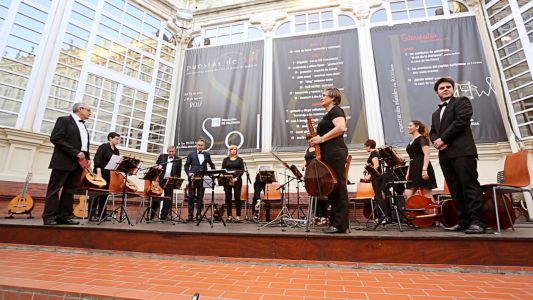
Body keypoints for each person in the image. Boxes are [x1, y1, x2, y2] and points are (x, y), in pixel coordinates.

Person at [430, 77, 485, 234]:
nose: (445, 89)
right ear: (437, 92)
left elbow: (461, 121)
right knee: (455, 189)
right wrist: (436, 141)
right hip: (445, 155)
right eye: (442, 88)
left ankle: (478, 222)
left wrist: (443, 139)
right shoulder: (435, 113)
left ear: (452, 89)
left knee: (469, 187)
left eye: (448, 87)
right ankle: (463, 222)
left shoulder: (462, 101)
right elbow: (433, 131)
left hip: (463, 152)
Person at [42, 103, 92, 225]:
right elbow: (56, 138)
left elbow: (83, 145)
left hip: (78, 164)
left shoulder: (84, 126)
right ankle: (49, 216)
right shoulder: (64, 120)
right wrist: (75, 152)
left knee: (70, 190)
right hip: (63, 161)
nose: (91, 113)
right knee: (55, 189)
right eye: (89, 110)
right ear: (80, 109)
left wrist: (88, 158)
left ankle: (64, 216)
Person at [309, 87, 349, 234]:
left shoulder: (336, 110)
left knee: (337, 185)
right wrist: (317, 141)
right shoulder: (329, 114)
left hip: (335, 152)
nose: (321, 97)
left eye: (324, 95)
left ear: (333, 97)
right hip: (328, 152)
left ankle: (340, 225)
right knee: (332, 187)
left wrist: (322, 138)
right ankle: (336, 223)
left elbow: (341, 127)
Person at [89, 132, 120, 221]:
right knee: (95, 194)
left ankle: (102, 215)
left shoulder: (116, 151)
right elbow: (97, 159)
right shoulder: (103, 147)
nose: (118, 141)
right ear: (110, 138)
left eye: (119, 139)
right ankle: (91, 215)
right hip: (100, 172)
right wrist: (99, 173)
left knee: (104, 195)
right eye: (117, 139)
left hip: (109, 174)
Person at [184, 138, 216, 222]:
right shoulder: (191, 154)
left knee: (200, 197)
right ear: (196, 145)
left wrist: (212, 174)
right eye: (199, 145)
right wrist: (189, 173)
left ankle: (199, 214)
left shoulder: (207, 155)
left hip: (203, 178)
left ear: (204, 146)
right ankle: (190, 216)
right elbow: (186, 166)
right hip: (193, 178)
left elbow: (212, 165)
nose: (200, 147)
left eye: (202, 145)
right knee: (191, 197)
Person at [404, 121, 437, 199]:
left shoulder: (422, 138)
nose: (408, 127)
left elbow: (427, 154)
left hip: (422, 167)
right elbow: (411, 157)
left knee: (426, 193)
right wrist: (408, 172)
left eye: (410, 125)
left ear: (417, 127)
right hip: (413, 169)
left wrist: (424, 170)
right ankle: (413, 211)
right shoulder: (411, 141)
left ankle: (432, 211)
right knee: (407, 193)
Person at [302, 138, 328, 225]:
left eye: (310, 139)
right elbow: (305, 159)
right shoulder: (307, 149)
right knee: (311, 195)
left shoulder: (318, 148)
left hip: (318, 173)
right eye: (308, 140)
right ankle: (316, 216)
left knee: (321, 195)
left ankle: (324, 217)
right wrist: (303, 165)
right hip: (309, 173)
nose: (309, 141)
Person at [364, 139, 390, 221]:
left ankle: (382, 217)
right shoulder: (378, 153)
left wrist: (369, 175)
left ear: (369, 146)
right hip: (380, 177)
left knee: (379, 197)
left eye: (365, 147)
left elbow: (376, 165)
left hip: (377, 178)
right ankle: (385, 216)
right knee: (381, 196)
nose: (365, 148)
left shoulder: (374, 153)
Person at [153, 145, 182, 220]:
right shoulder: (162, 156)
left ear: (175, 151)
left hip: (170, 181)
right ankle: (151, 216)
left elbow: (178, 173)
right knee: (156, 197)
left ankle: (163, 217)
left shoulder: (178, 159)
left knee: (167, 200)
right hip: (160, 180)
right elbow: (156, 166)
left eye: (173, 151)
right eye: (170, 151)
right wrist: (158, 167)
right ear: (167, 151)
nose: (171, 153)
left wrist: (175, 179)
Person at [221, 145, 244, 222]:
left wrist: (236, 178)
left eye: (235, 149)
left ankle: (238, 216)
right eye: (232, 149)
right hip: (227, 180)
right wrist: (228, 177)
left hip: (237, 180)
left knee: (237, 198)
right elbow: (223, 170)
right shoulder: (225, 159)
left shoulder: (240, 160)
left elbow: (242, 171)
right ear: (229, 151)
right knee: (228, 198)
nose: (234, 150)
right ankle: (229, 216)